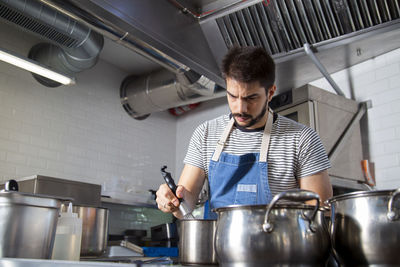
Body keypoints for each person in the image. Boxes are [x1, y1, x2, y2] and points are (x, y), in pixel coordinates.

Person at [156, 46, 333, 219]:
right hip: (218, 246)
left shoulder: (302, 139)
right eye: (233, 96)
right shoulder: (206, 134)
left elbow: (319, 214)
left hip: (279, 246)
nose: (240, 108)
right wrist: (170, 201)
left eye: (251, 98)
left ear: (270, 92)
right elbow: (184, 205)